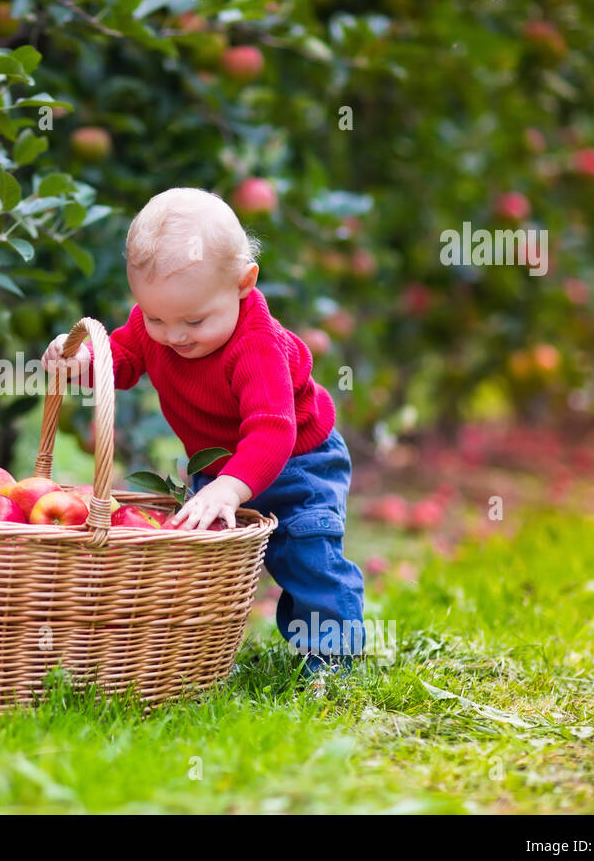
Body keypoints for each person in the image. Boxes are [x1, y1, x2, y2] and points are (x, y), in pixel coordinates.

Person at [42, 187, 364, 676]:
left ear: (242, 283)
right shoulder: (161, 326)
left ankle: (336, 658)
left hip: (299, 461)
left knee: (306, 553)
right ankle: (200, 653)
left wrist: (232, 488)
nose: (174, 335)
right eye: (155, 318)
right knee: (202, 560)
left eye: (193, 320)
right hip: (220, 472)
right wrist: (81, 361)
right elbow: (123, 360)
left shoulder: (255, 347)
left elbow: (272, 430)